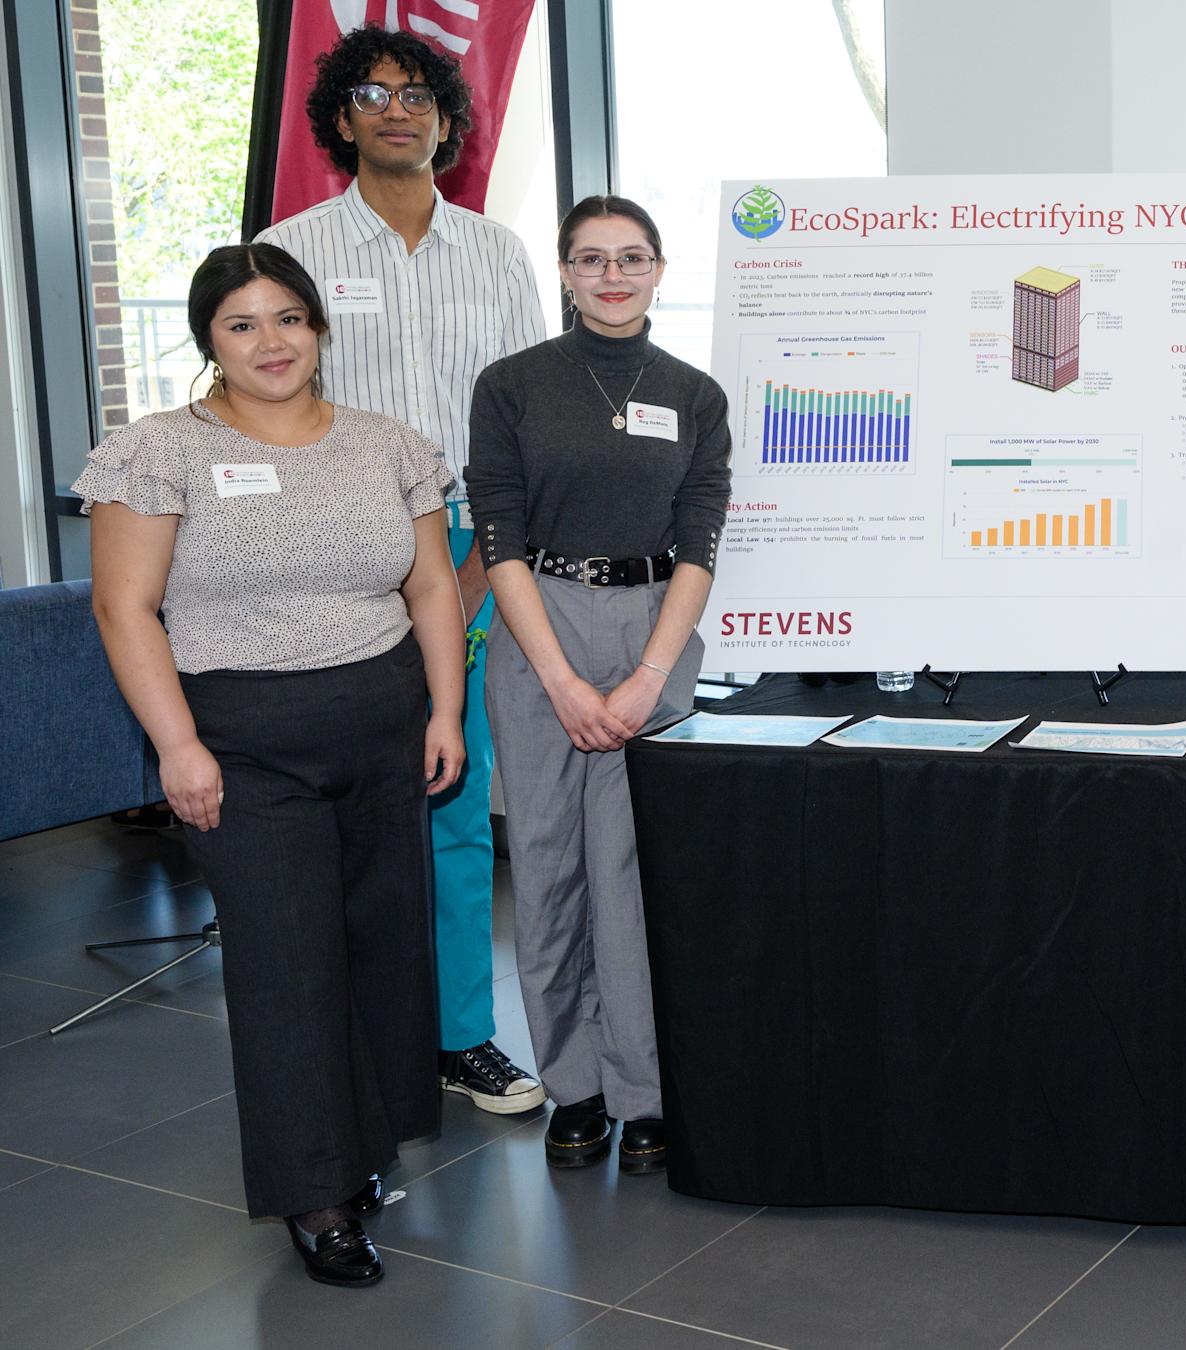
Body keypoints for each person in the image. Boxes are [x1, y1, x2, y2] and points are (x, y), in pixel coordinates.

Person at [78, 243, 464, 1287]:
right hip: (243, 740)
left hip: (385, 723)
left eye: (289, 317)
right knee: (286, 963)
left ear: (319, 327)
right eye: (242, 324)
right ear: (210, 339)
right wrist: (178, 746)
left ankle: (364, 1143)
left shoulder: (388, 443)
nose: (271, 342)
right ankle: (314, 1191)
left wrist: (445, 712)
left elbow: (433, 587)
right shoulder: (157, 451)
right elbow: (124, 607)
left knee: (382, 945)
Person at [256, 24, 548, 1117]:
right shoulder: (291, 249)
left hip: (467, 546)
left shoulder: (497, 253)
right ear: (341, 118)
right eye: (373, 93)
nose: (396, 109)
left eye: (418, 92)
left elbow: (523, 422)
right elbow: (265, 403)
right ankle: (361, 1036)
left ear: (446, 118)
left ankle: (462, 1036)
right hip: (340, 549)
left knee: (453, 793)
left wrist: (481, 569)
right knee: (344, 806)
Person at [468, 195, 730, 1176]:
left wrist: (649, 676)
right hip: (539, 626)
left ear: (659, 269)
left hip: (655, 631)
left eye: (631, 258)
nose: (612, 276)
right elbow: (499, 537)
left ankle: (645, 1089)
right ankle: (574, 1087)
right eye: (591, 259)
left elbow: (700, 543)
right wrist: (563, 682)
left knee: (634, 871)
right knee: (545, 864)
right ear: (565, 272)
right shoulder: (512, 385)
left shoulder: (696, 395)